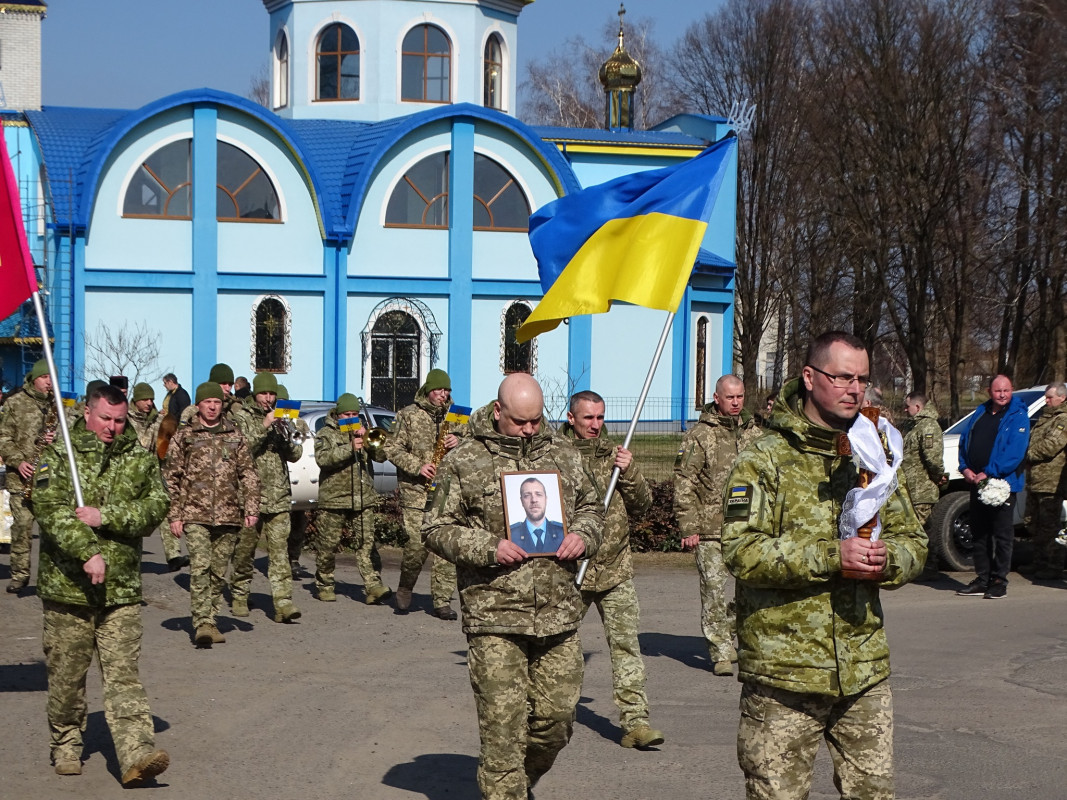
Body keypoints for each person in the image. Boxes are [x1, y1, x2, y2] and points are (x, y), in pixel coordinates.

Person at [721, 331, 927, 800]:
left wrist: (887, 559)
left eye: (863, 379)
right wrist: (833, 555)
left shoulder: (875, 453)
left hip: (862, 668)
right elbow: (740, 549)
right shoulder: (764, 458)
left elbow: (912, 540)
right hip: (784, 674)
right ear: (810, 378)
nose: (856, 389)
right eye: (843, 377)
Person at [423, 373, 603, 800]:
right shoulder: (465, 458)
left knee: (556, 723)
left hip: (559, 614)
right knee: (503, 735)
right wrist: (489, 547)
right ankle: (504, 788)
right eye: (520, 421)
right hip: (495, 617)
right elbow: (433, 527)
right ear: (498, 411)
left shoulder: (564, 453)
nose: (529, 430)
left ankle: (515, 784)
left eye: (536, 421)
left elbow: (593, 508)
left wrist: (583, 535)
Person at [32, 383, 172, 785]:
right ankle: (66, 744)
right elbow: (49, 509)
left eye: (120, 420)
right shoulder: (61, 454)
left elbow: (156, 505)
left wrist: (104, 516)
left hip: (121, 589)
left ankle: (136, 754)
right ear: (88, 413)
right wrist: (86, 551)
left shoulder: (138, 457)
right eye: (105, 419)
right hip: (68, 589)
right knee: (67, 678)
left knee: (124, 676)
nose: (112, 427)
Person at [560, 390, 664, 749]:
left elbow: (643, 506)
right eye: (588, 418)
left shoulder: (615, 455)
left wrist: (629, 470)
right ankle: (556, 714)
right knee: (562, 648)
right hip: (570, 569)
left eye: (600, 418)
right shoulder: (556, 455)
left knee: (626, 647)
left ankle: (635, 723)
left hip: (615, 568)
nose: (595, 425)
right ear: (571, 418)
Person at [673, 373, 761, 675]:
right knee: (713, 591)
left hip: (748, 527)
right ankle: (721, 650)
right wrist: (689, 526)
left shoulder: (755, 434)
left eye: (740, 397)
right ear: (717, 397)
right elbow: (685, 481)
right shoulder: (700, 435)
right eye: (730, 397)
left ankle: (731, 634)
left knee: (748, 591)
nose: (736, 403)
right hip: (711, 528)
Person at [163, 382, 260, 647]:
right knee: (200, 567)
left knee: (218, 571)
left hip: (229, 515)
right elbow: (171, 477)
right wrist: (175, 515)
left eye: (216, 402)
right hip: (195, 514)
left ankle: (212, 617)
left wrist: (251, 508)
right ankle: (202, 621)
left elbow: (249, 474)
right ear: (199, 405)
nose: (213, 407)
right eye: (207, 402)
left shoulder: (235, 434)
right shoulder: (185, 436)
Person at [383, 368, 460, 619]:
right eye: (439, 389)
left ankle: (442, 601)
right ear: (428, 390)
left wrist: (460, 440)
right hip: (416, 491)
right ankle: (406, 587)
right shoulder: (407, 415)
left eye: (447, 390)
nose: (443, 394)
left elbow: (474, 447)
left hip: (447, 491)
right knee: (417, 545)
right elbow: (391, 448)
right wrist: (418, 466)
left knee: (446, 549)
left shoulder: (457, 417)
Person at [231, 372, 303, 622]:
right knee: (245, 549)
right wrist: (265, 426)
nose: (268, 398)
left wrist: (287, 438)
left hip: (279, 495)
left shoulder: (283, 415)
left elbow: (295, 454)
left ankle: (283, 603)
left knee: (279, 552)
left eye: (272, 394)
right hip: (250, 496)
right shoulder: (241, 417)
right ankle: (240, 594)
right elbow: (241, 448)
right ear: (255, 394)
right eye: (264, 393)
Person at [312, 393, 392, 603]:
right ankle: (325, 583)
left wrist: (368, 438)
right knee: (328, 546)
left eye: (354, 414)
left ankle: (373, 586)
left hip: (362, 497)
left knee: (366, 544)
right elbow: (323, 459)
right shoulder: (325, 433)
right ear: (338, 415)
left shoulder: (362, 431)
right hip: (334, 498)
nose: (351, 417)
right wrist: (350, 448)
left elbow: (382, 456)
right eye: (347, 414)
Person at [955, 374, 1030, 599]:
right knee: (980, 532)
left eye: (1006, 390)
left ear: (1012, 390)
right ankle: (983, 577)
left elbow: (1014, 454)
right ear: (990, 391)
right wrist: (965, 467)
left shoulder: (1018, 416)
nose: (1002, 394)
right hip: (976, 481)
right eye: (998, 391)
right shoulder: (981, 412)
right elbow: (964, 441)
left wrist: (988, 472)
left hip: (1001, 484)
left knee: (1002, 534)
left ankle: (999, 580)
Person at [0, 358, 55, 593]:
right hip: (21, 477)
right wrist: (18, 462)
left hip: (50, 479)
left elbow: (73, 436)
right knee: (22, 528)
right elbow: (3, 438)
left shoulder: (58, 407)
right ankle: (19, 575)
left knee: (51, 532)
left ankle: (50, 579)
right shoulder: (15, 403)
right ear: (34, 379)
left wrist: (58, 438)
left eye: (52, 378)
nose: (50, 382)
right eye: (45, 377)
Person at [128, 382, 189, 572]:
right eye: (145, 399)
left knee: (164, 507)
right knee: (133, 517)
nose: (149, 403)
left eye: (152, 399)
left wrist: (168, 425)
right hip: (130, 475)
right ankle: (130, 557)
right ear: (136, 400)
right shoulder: (126, 419)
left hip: (154, 472)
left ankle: (173, 556)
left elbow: (165, 445)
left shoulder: (157, 420)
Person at [1022, 383, 1067, 580]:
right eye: (1046, 397)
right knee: (1033, 523)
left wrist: (1025, 455)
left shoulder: (1062, 419)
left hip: (1051, 481)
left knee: (1049, 526)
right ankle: (1039, 562)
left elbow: (1051, 446)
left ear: (1062, 398)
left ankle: (1054, 565)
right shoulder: (1045, 418)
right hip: (1036, 479)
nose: (1046, 401)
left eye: (1050, 397)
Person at [900, 392, 945, 577]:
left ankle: (929, 566)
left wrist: (938, 476)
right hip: (912, 487)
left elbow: (932, 458)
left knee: (922, 529)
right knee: (919, 528)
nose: (904, 409)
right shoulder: (915, 425)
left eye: (907, 406)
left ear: (917, 407)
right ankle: (922, 565)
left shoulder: (928, 426)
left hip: (922, 488)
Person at [507, 476, 566, 551]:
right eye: (527, 495)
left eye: (538, 494)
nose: (534, 500)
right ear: (521, 501)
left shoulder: (562, 532)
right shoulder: (511, 535)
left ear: (546, 499)